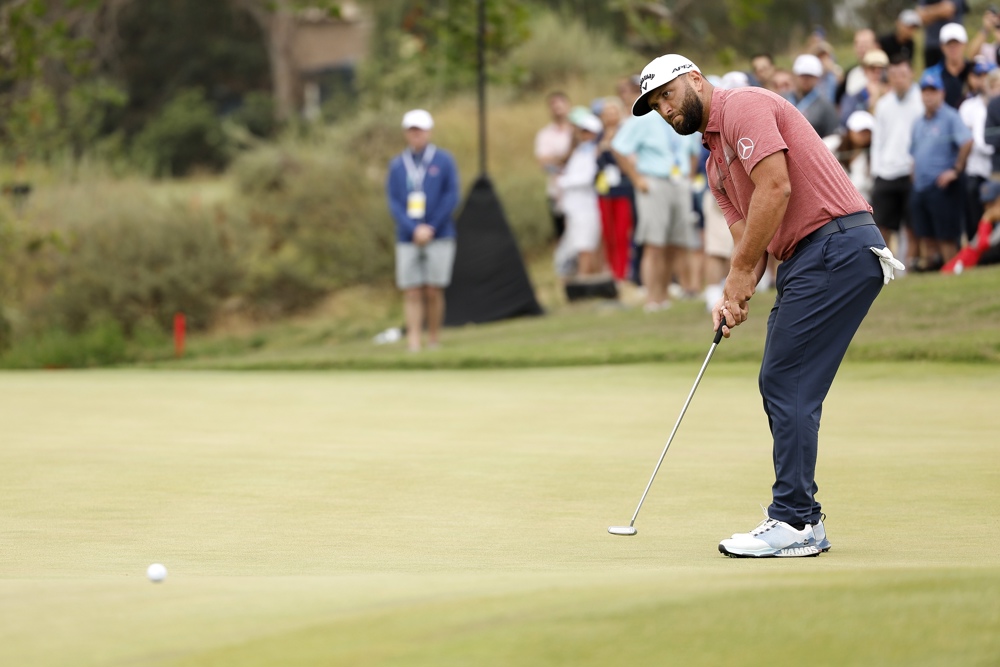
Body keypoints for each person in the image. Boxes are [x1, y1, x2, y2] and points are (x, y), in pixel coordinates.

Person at [632, 53, 898, 558]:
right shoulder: (714, 166)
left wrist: (737, 276)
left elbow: (776, 187)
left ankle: (793, 521)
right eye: (656, 105)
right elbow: (749, 247)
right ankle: (804, 520)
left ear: (695, 80)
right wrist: (733, 295)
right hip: (808, 258)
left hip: (835, 245)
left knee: (786, 379)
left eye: (667, 94)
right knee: (782, 379)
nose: (665, 109)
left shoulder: (743, 106)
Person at [612, 93, 696, 312]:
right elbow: (618, 147)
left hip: (679, 181)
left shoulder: (681, 114)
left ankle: (663, 296)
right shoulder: (643, 119)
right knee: (654, 243)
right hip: (654, 182)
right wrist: (637, 179)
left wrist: (689, 177)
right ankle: (652, 299)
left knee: (674, 244)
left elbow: (694, 150)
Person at [386, 109, 460, 353]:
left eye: (419, 130)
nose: (415, 134)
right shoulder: (398, 165)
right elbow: (394, 202)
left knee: (433, 289)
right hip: (407, 236)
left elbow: (451, 196)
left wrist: (431, 227)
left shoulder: (444, 160)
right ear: (406, 133)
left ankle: (434, 339)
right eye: (411, 130)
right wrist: (413, 228)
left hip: (439, 233)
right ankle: (414, 342)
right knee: (412, 290)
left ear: (428, 131)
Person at [910, 70, 973, 270]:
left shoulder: (950, 116)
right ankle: (934, 274)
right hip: (921, 187)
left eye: (933, 91)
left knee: (946, 236)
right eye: (925, 91)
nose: (929, 95)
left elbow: (967, 141)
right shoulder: (918, 122)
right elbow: (914, 153)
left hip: (942, 187)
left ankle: (951, 271)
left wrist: (955, 169)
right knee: (926, 236)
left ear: (942, 93)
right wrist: (914, 177)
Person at [871, 56, 924, 264]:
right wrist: (876, 171)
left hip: (911, 172)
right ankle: (886, 270)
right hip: (886, 172)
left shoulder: (921, 100)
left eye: (902, 74)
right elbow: (877, 141)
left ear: (911, 74)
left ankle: (908, 269)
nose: (898, 79)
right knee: (882, 227)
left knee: (912, 227)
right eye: (893, 75)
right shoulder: (883, 104)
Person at [555, 112, 603, 279]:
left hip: (586, 207)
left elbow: (587, 178)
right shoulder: (580, 151)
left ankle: (585, 279)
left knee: (586, 245)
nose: (582, 134)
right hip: (575, 207)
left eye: (585, 131)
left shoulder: (594, 152)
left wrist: (564, 181)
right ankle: (587, 279)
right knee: (579, 245)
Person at [595, 97, 634, 283]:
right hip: (604, 189)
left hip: (623, 188)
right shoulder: (599, 135)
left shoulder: (625, 132)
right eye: (607, 112)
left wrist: (611, 146)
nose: (610, 116)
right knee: (607, 233)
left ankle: (622, 272)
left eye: (613, 112)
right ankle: (611, 271)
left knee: (621, 233)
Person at [959, 62, 998, 241]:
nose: (982, 80)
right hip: (976, 172)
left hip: (994, 172)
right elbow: (977, 141)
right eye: (978, 75)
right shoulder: (968, 106)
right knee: (975, 222)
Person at [535, 91, 573, 240]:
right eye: (553, 106)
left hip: (581, 191)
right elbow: (543, 162)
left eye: (560, 105)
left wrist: (556, 158)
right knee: (562, 235)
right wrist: (566, 157)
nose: (557, 109)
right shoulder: (545, 134)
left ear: (568, 105)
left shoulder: (578, 129)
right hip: (557, 191)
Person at [786, 54, 839, 138]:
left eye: (810, 76)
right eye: (802, 76)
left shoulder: (826, 106)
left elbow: (832, 136)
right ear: (795, 76)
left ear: (817, 78)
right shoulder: (784, 98)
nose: (806, 80)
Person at [926, 23, 973, 109]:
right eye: (949, 44)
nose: (953, 48)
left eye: (957, 44)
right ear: (942, 47)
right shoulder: (931, 75)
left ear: (965, 45)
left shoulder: (975, 71)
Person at [838, 48, 889, 129]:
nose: (877, 73)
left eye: (881, 70)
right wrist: (869, 104)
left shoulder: (892, 96)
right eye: (872, 69)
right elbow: (845, 121)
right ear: (865, 71)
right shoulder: (854, 97)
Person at [918, 0, 970, 68]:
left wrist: (928, 11)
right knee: (932, 73)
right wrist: (940, 10)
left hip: (953, 41)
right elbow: (920, 16)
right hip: (932, 46)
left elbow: (947, 9)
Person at [837, 29, 878, 104]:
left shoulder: (887, 74)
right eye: (858, 45)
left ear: (875, 46)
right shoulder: (851, 74)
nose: (861, 49)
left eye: (865, 44)